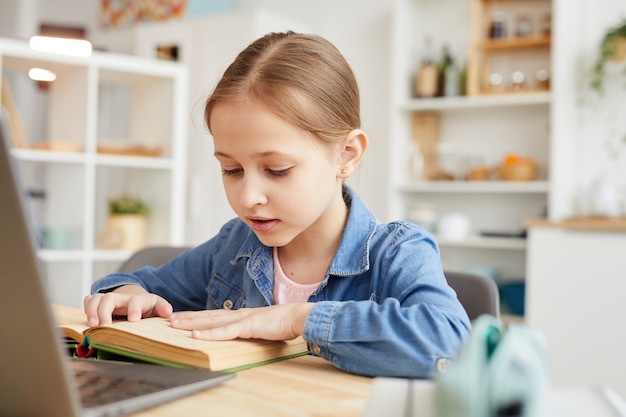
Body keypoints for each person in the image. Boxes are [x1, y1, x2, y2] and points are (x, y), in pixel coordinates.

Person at [84, 31, 471, 378]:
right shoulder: (234, 246)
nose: (248, 197)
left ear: (347, 155)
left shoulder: (397, 252)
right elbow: (133, 283)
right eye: (232, 169)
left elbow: (453, 345)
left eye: (277, 169)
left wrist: (297, 319)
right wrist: (127, 297)